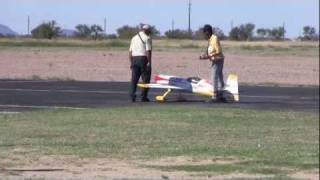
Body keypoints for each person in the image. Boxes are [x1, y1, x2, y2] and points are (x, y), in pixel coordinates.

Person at [199, 24, 225, 102]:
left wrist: (208, 56)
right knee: (220, 78)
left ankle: (215, 97)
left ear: (207, 32)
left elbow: (218, 51)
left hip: (218, 60)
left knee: (214, 77)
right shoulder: (210, 39)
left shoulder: (214, 38)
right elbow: (210, 51)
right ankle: (220, 95)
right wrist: (205, 55)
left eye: (204, 32)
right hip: (215, 60)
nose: (204, 34)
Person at [129, 24, 152, 102]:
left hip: (134, 59)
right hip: (143, 59)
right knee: (146, 79)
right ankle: (143, 97)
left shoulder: (134, 38)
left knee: (134, 79)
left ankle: (132, 95)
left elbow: (130, 52)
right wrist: (149, 62)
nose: (150, 32)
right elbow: (148, 51)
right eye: (149, 30)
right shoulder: (147, 38)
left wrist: (131, 62)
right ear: (146, 30)